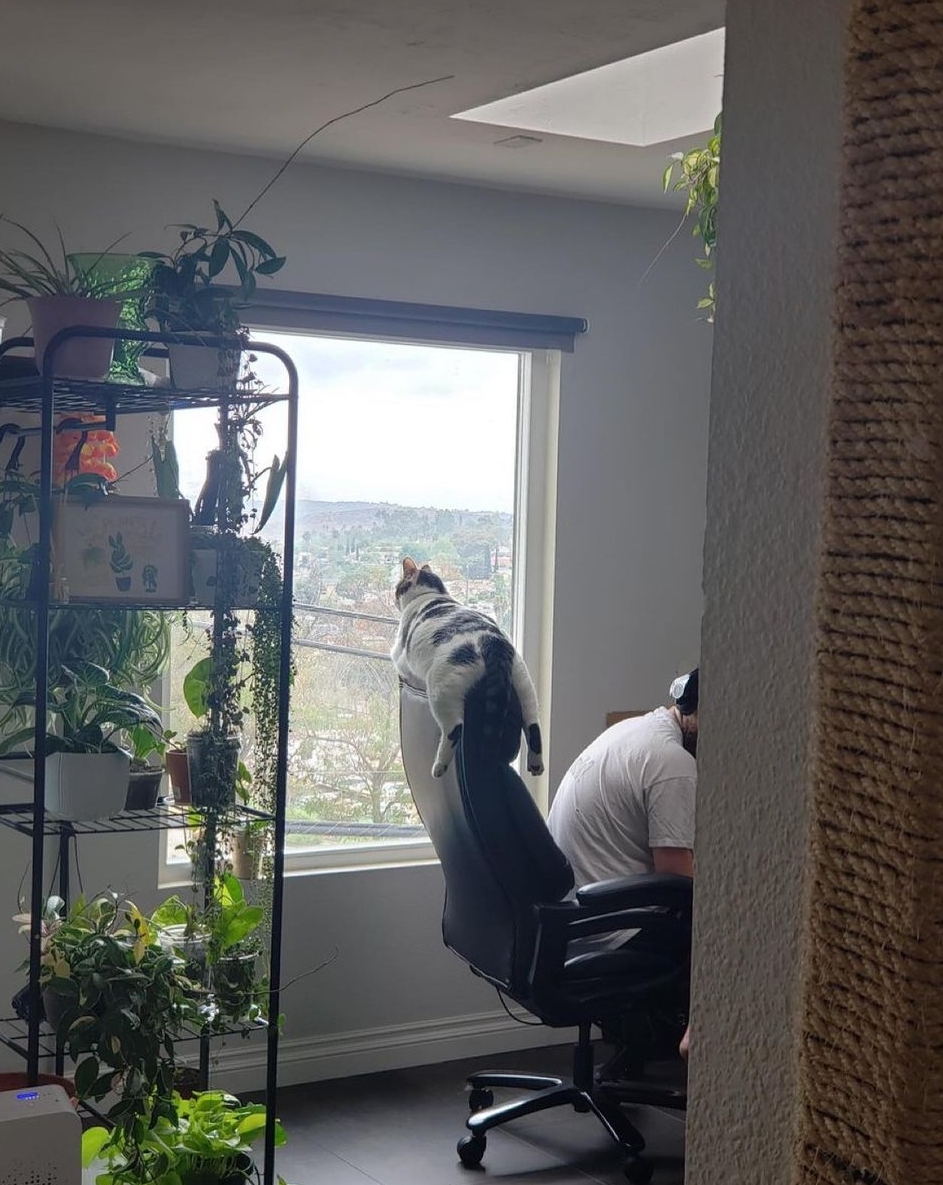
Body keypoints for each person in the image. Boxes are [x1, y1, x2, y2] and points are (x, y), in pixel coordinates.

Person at [547, 668, 698, 886]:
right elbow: (679, 886)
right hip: (610, 905)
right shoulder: (674, 764)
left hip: (574, 898)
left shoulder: (633, 729)